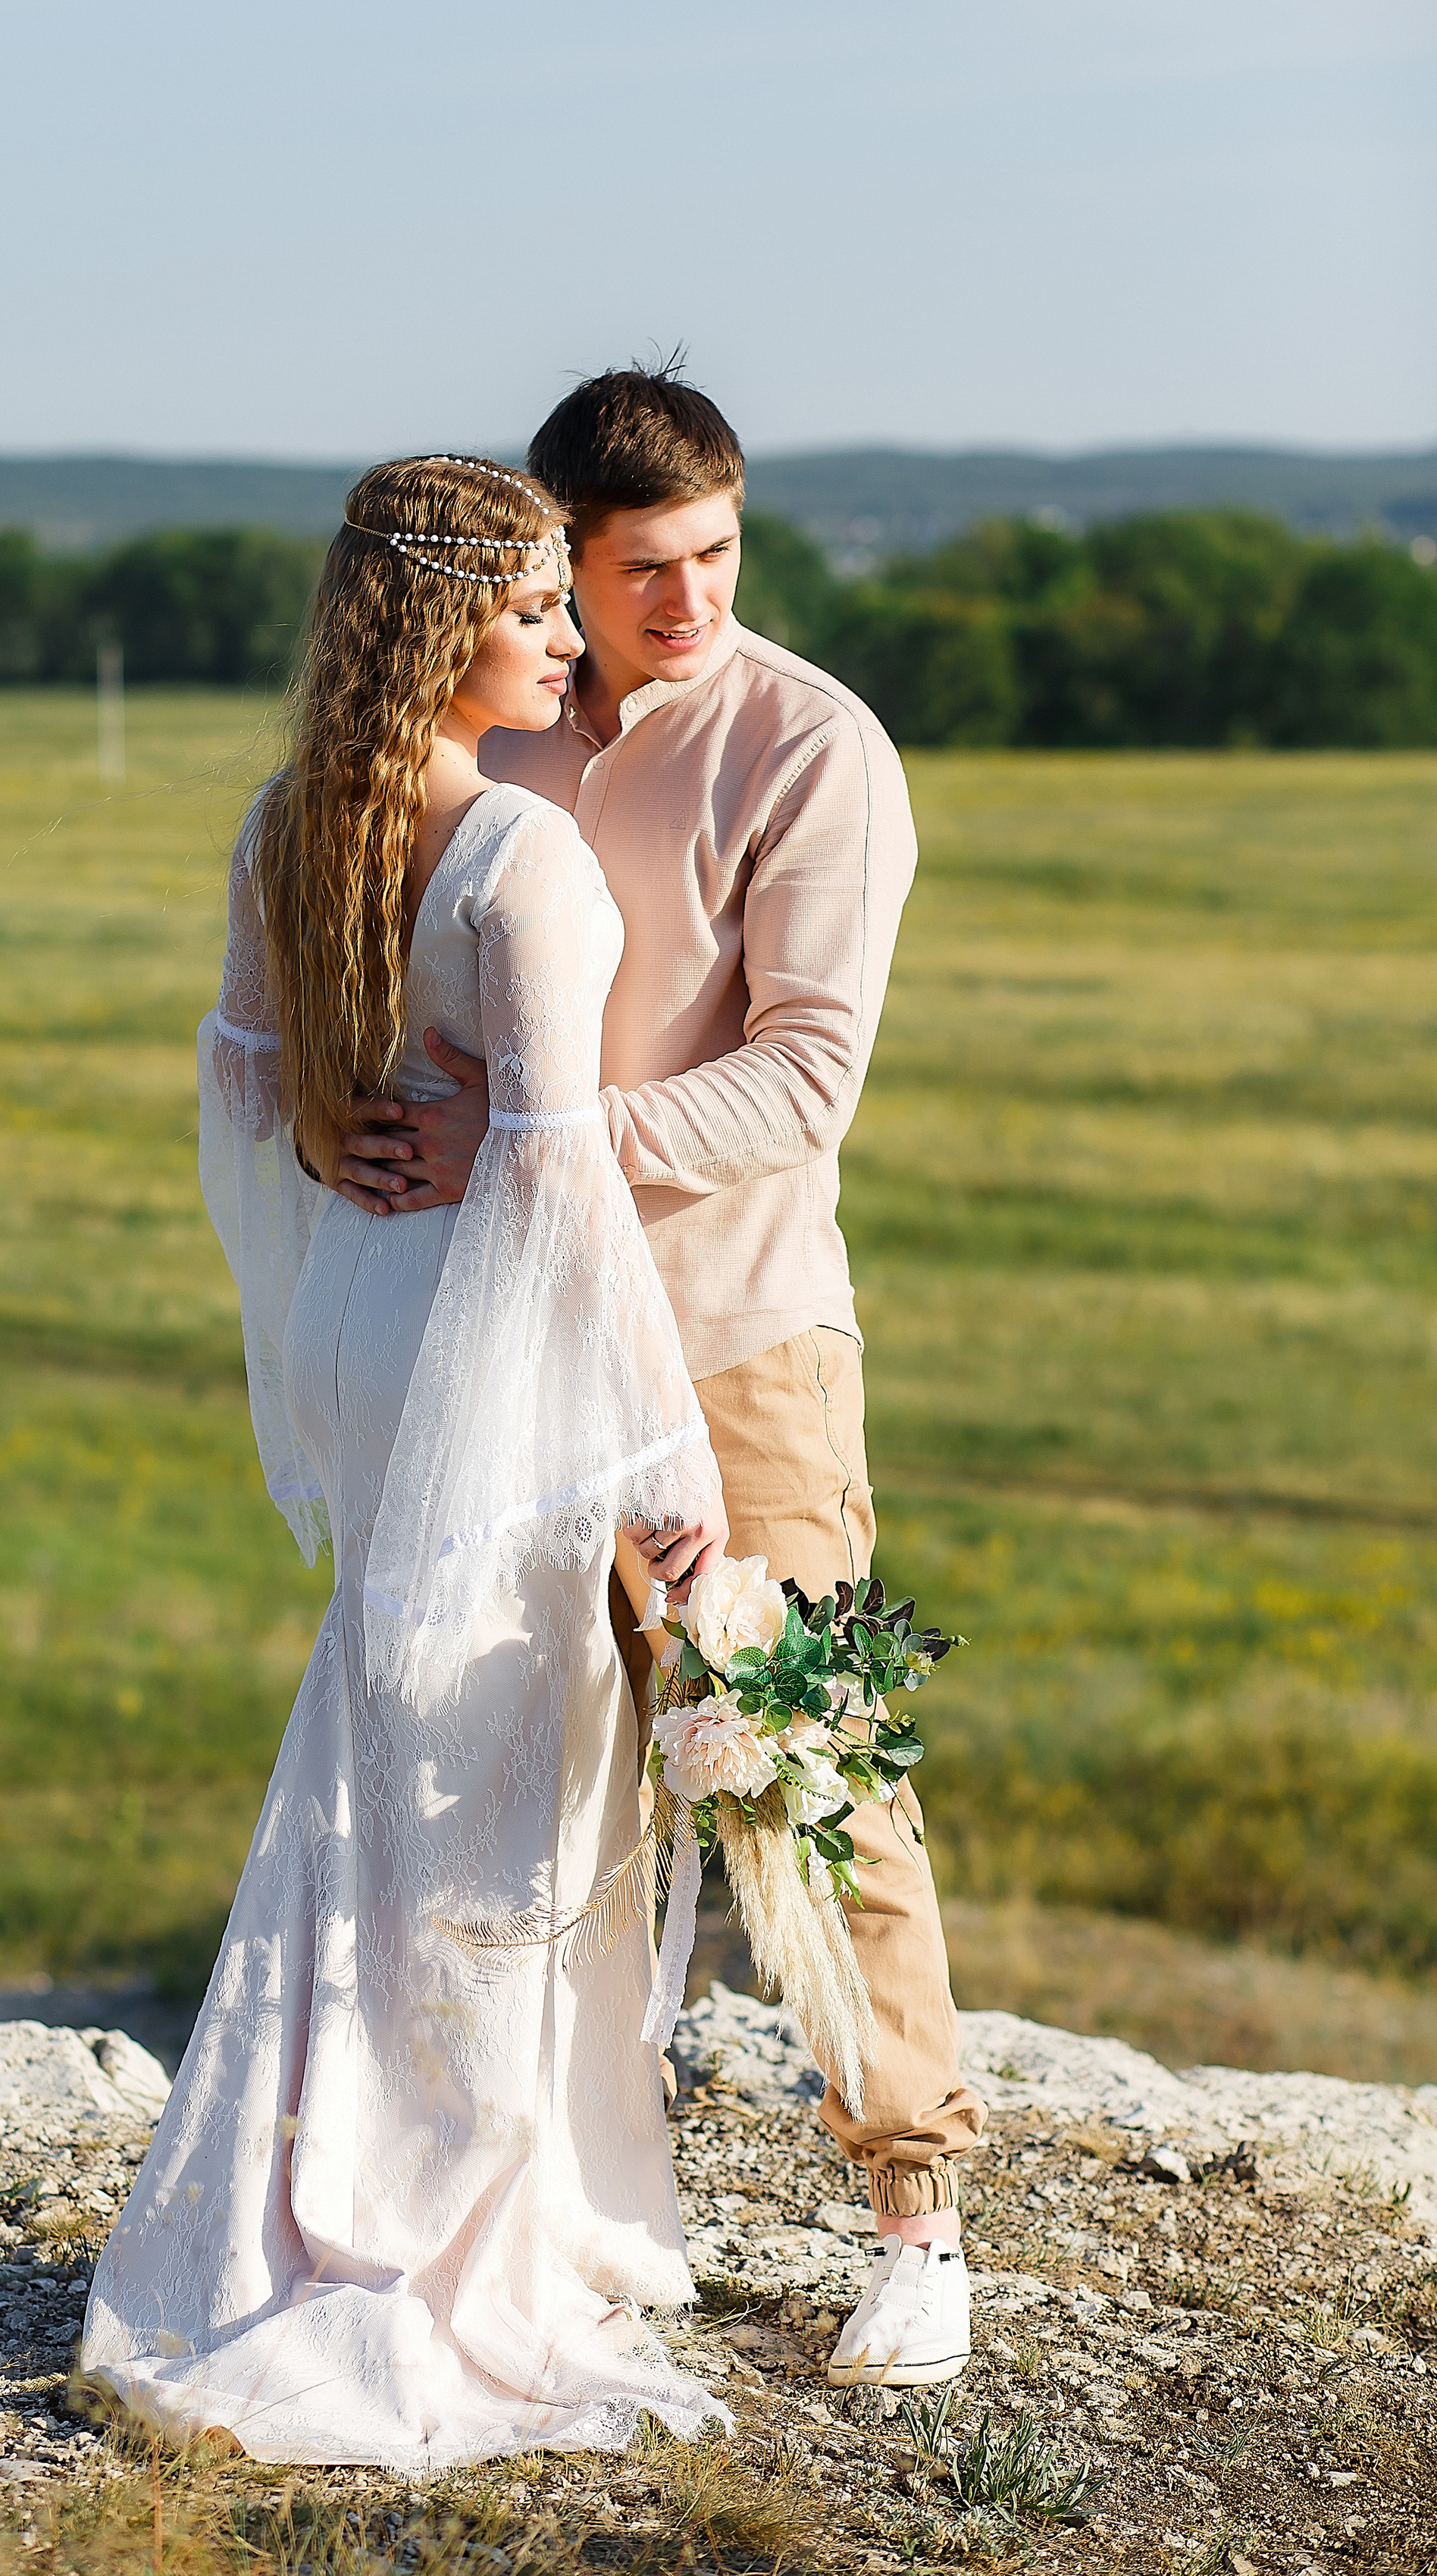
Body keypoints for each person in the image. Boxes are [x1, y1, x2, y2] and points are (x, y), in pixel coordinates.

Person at [334, 370, 985, 2391]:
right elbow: (377, 980)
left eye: (716, 554)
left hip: (741, 1343)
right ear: (562, 562)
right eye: (639, 570)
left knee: (808, 1769)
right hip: (503, 1356)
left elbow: (808, 1074)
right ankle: (574, 2209)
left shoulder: (816, 747)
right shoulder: (498, 723)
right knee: (536, 1795)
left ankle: (918, 2217)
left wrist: (534, 1145)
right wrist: (335, 1126)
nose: (686, 599)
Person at [82, 456, 735, 2466]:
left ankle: (337, 2166)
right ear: (447, 621)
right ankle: (439, 2211)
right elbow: (551, 1178)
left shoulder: (296, 821)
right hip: (484, 1337)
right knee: (490, 1781)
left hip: (369, 1316)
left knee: (387, 1715)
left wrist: (332, 1154)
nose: (567, 636)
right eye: (539, 604)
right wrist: (663, 1442)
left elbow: (251, 1080)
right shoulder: (521, 862)